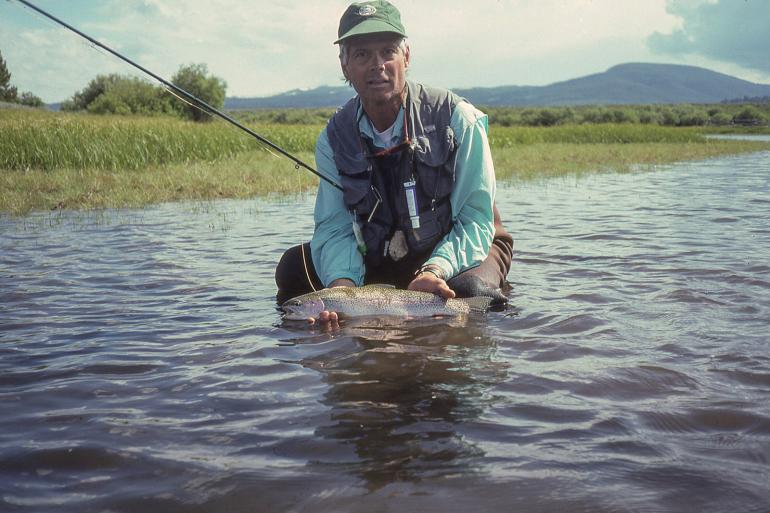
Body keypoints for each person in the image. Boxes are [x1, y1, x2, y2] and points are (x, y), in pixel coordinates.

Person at [275, 0, 513, 322]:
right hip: (385, 254)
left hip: (464, 247)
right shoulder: (333, 138)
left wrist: (435, 268)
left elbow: (475, 220)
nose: (377, 65)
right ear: (344, 65)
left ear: (407, 56)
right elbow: (334, 228)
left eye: (388, 51)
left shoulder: (458, 120)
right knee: (291, 268)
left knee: (471, 291)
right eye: (361, 54)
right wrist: (343, 291)